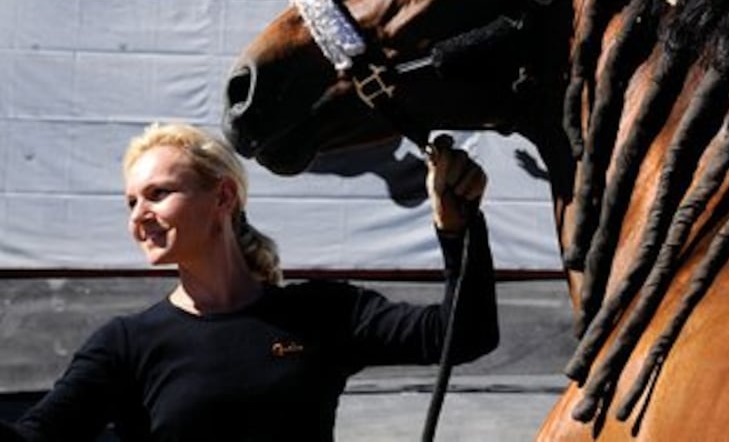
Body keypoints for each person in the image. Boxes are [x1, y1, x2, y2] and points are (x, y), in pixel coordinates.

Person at [1, 122, 498, 441]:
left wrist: (459, 230)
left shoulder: (323, 314)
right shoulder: (125, 344)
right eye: (131, 201)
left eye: (158, 193)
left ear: (222, 198)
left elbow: (464, 333)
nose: (140, 216)